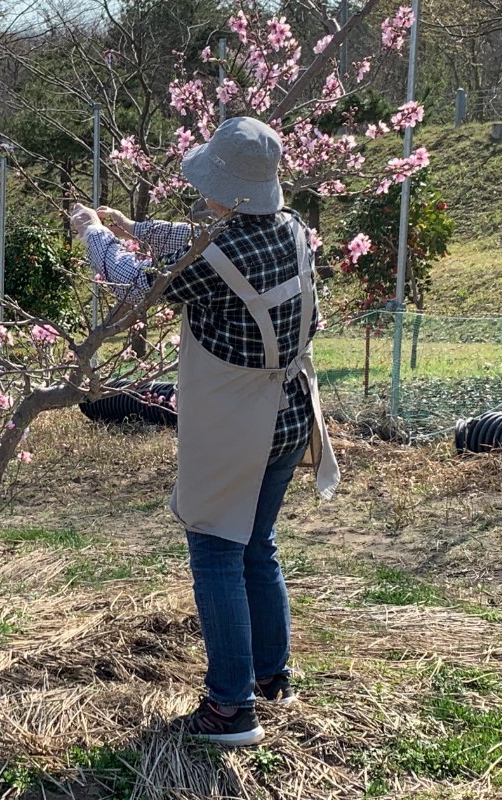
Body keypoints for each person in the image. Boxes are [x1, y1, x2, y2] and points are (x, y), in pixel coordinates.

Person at [70, 115, 339, 746]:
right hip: (294, 412)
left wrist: (93, 234)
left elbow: (140, 282)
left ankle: (230, 706)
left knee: (217, 547)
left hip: (237, 423)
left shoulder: (215, 258)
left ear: (226, 185)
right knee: (257, 545)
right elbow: (195, 239)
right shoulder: (291, 228)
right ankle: (272, 677)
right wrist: (134, 227)